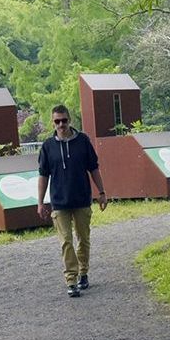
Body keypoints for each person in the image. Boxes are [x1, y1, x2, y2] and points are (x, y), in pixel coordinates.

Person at [36, 103, 107, 298]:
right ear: (53, 123)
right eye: (57, 121)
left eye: (64, 120)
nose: (61, 124)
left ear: (70, 120)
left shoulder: (83, 141)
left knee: (83, 239)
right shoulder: (47, 147)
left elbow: (93, 168)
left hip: (82, 199)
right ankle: (71, 280)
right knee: (66, 241)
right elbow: (43, 175)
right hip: (59, 202)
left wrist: (101, 192)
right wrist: (40, 202)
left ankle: (83, 271)